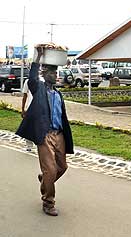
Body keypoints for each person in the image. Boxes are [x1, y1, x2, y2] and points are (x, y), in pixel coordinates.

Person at [16, 46, 74, 216]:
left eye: (56, 74)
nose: (56, 76)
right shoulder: (38, 88)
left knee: (62, 167)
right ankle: (48, 202)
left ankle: (44, 181)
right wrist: (38, 57)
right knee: (50, 169)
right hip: (45, 134)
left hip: (59, 135)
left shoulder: (58, 94)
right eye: (52, 73)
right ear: (45, 74)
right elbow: (32, 78)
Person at [21, 75, 44, 151]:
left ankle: (39, 144)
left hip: (40, 107)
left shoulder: (42, 81)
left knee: (39, 127)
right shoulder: (27, 81)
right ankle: (29, 146)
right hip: (29, 108)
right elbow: (25, 95)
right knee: (28, 127)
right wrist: (23, 109)